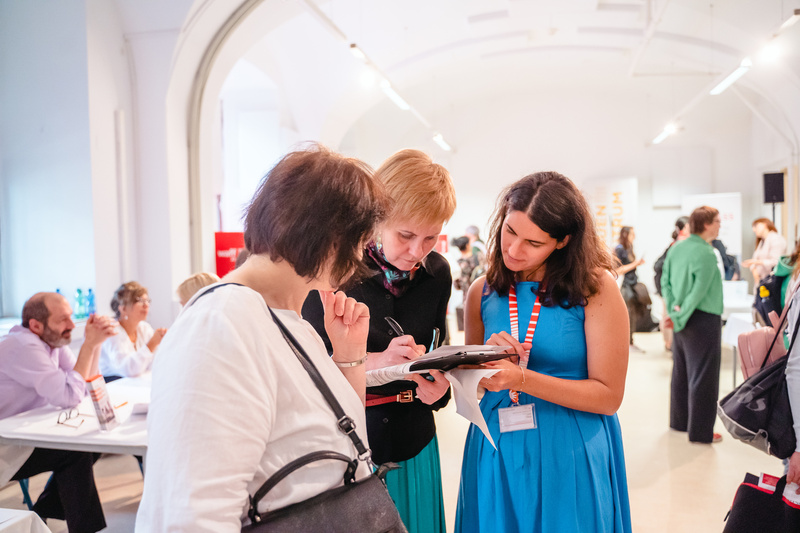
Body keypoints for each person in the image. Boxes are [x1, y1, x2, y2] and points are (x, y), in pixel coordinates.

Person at [135, 145, 388, 531]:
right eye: (359, 243)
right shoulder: (220, 323)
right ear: (331, 238)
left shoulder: (288, 321)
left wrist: (350, 356)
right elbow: (193, 514)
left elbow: (340, 439)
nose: (359, 260)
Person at [456, 172, 631, 533]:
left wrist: (522, 377)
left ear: (563, 241)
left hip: (568, 450)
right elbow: (470, 388)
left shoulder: (596, 289)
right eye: (509, 232)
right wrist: (478, 366)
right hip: (496, 448)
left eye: (533, 242)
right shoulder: (482, 291)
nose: (515, 250)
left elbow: (608, 396)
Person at [303, 148, 455, 533]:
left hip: (416, 442)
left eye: (431, 238)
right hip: (347, 446)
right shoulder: (332, 270)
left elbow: (440, 349)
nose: (417, 252)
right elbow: (304, 370)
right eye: (405, 235)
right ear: (377, 219)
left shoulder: (438, 274)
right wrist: (375, 361)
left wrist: (441, 389)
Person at [0, 292, 116, 532]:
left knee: (89, 445)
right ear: (35, 325)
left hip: (26, 436)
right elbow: (69, 396)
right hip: (6, 448)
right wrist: (89, 345)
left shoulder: (50, 342)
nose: (72, 325)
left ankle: (42, 514)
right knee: (76, 450)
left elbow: (83, 388)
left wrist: (95, 345)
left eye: (71, 317)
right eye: (63, 319)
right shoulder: (22, 346)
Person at [662, 206, 723, 444]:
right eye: (717, 221)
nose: (720, 225)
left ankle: (679, 422)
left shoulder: (677, 249)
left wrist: (675, 311)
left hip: (681, 317)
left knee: (682, 371)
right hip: (702, 318)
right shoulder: (706, 253)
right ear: (706, 224)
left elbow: (665, 282)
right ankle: (700, 431)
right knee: (704, 376)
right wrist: (683, 313)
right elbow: (698, 292)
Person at [99, 281, 167, 379]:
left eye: (147, 301)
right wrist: (152, 343)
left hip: (135, 383)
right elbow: (127, 369)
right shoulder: (111, 331)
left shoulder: (144, 328)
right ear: (123, 308)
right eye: (139, 301)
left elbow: (156, 362)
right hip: (114, 384)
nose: (146, 305)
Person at [654, 216, 690, 351]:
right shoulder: (676, 246)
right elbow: (660, 267)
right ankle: (669, 343)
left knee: (669, 313)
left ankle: (670, 344)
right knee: (668, 314)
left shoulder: (677, 245)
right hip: (668, 287)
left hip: (668, 286)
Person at [614, 226, 646, 352]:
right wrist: (635, 264)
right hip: (624, 286)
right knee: (627, 314)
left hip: (632, 285)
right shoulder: (619, 249)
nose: (635, 236)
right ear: (626, 235)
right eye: (632, 234)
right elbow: (618, 270)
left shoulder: (629, 248)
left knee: (633, 313)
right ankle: (626, 343)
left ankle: (630, 342)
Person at [743, 217, 787, 286]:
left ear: (765, 224)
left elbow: (776, 261)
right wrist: (754, 269)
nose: (754, 230)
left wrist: (756, 262)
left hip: (771, 281)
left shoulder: (776, 239)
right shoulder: (761, 242)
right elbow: (755, 259)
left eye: (755, 226)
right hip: (761, 282)